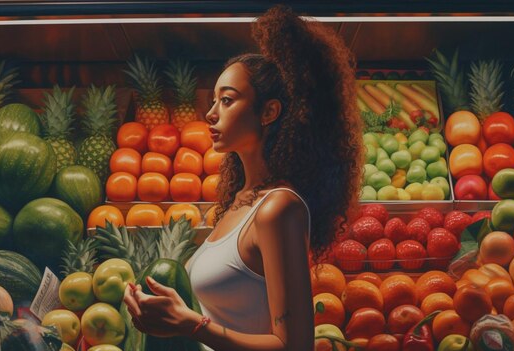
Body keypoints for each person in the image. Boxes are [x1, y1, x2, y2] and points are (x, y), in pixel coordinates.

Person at [123, 5, 364, 351]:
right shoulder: (240, 200)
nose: (210, 113)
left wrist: (194, 326)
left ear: (269, 112)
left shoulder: (279, 208)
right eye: (214, 100)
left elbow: (294, 346)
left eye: (227, 100)